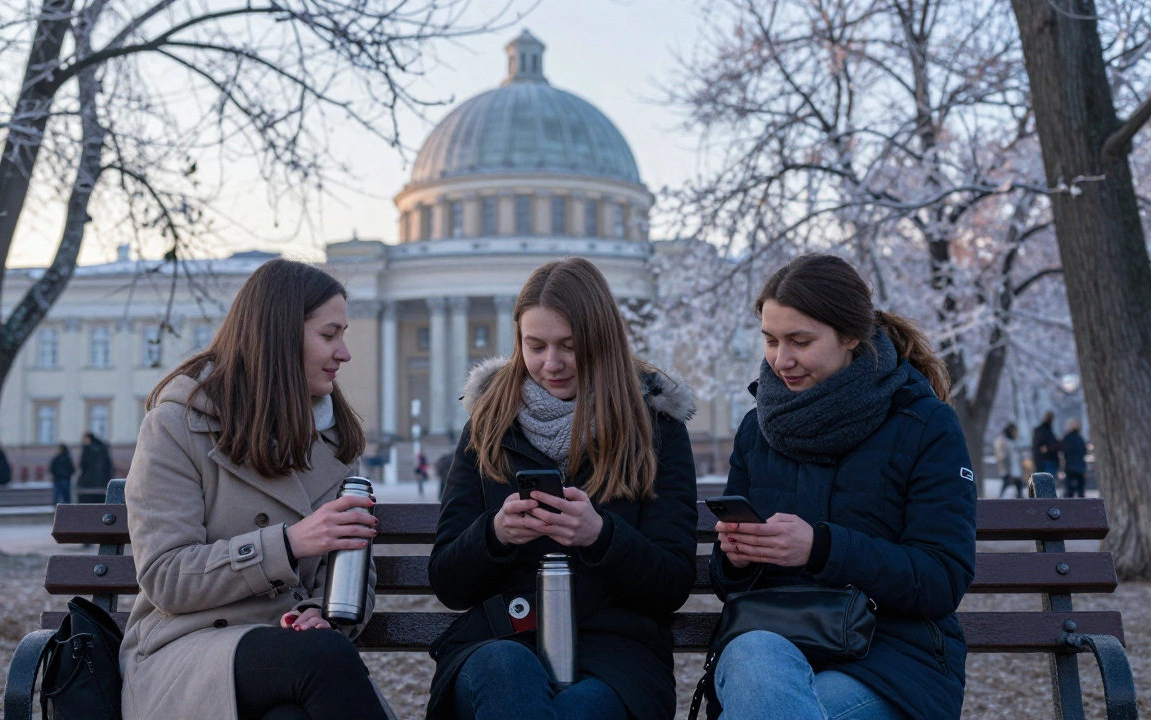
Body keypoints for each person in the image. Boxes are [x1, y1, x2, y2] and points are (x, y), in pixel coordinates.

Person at [117, 259, 391, 720]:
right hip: (187, 653)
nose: (344, 353)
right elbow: (165, 576)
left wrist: (329, 617)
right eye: (329, 335)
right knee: (322, 660)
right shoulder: (177, 426)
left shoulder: (335, 441)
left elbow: (352, 575)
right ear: (280, 337)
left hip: (292, 651)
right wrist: (287, 544)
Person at [427, 258, 700, 720]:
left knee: (576, 710)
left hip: (617, 657)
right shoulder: (488, 426)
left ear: (601, 342)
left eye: (569, 347)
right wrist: (494, 535)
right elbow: (448, 583)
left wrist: (601, 536)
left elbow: (671, 583)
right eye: (535, 346)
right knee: (506, 668)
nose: (550, 364)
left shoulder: (657, 430)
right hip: (500, 638)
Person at [710, 254, 976, 720]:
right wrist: (736, 558)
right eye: (771, 340)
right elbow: (728, 585)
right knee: (754, 656)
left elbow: (940, 579)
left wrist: (821, 548)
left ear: (852, 336)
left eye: (800, 341)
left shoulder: (926, 425)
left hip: (891, 661)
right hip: (772, 644)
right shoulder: (757, 429)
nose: (781, 360)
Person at [77, 432, 115, 503]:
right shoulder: (103, 447)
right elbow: (108, 465)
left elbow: (83, 464)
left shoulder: (87, 449)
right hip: (103, 482)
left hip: (88, 483)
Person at [994, 423, 1024, 498]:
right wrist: (1004, 468)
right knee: (1008, 484)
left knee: (1018, 484)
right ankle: (1000, 498)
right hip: (1007, 469)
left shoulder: (1014, 441)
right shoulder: (1002, 441)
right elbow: (1001, 456)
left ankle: (1019, 499)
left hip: (1015, 469)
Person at [1061, 420, 1088, 498]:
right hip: (1080, 467)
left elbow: (1065, 451)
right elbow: (1084, 452)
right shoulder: (1080, 438)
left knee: (1069, 491)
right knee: (1081, 491)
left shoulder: (1067, 438)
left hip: (1070, 467)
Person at [1032, 411, 1061, 477]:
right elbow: (1042, 447)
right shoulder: (1044, 430)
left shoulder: (1046, 430)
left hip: (1045, 460)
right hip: (1047, 460)